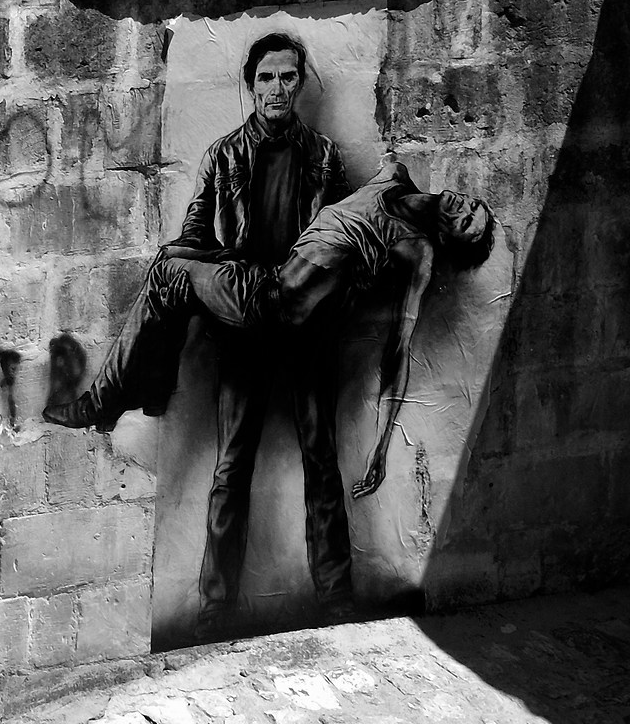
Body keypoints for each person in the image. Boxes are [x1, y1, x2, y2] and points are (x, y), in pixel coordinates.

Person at [61, 32, 346, 639]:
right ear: (251, 85)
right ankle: (218, 607)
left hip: (301, 322)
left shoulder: (324, 156)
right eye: (265, 78)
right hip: (243, 319)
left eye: (288, 77)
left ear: (300, 82)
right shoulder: (223, 155)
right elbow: (196, 234)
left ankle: (337, 595)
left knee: (321, 457)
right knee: (232, 464)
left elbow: (335, 250)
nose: (277, 89)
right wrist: (204, 268)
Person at [46, 159, 496, 508]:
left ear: (447, 237)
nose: (464, 208)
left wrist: (379, 450)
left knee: (167, 275)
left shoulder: (417, 250)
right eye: (474, 207)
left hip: (271, 310)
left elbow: (399, 349)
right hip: (266, 278)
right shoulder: (393, 175)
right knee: (174, 252)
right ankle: (150, 390)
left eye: (465, 224)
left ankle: (103, 402)